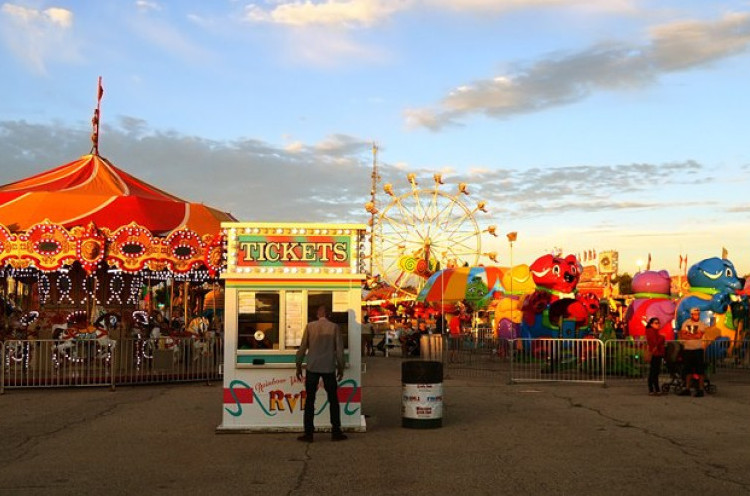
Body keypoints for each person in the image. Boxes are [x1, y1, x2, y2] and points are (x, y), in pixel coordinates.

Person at [295, 305, 347, 442]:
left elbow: (302, 347)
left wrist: (298, 365)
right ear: (327, 314)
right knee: (333, 400)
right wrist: (341, 368)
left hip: (312, 367)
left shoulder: (310, 326)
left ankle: (308, 433)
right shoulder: (334, 327)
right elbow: (340, 351)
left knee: (310, 401)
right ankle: (336, 432)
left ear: (318, 314)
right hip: (329, 368)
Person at [678, 307, 707, 397]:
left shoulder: (702, 324)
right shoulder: (686, 323)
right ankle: (687, 388)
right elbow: (683, 335)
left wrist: (689, 335)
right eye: (695, 314)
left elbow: (699, 335)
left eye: (698, 314)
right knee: (688, 370)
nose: (696, 316)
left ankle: (701, 389)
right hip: (688, 349)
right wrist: (693, 335)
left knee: (700, 370)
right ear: (691, 314)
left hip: (698, 349)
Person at [645, 317, 666, 396]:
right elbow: (655, 342)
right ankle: (653, 388)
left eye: (658, 323)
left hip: (657, 353)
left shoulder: (655, 331)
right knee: (654, 372)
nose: (658, 324)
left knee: (655, 372)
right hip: (655, 353)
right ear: (651, 324)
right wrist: (662, 337)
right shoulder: (651, 331)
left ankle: (654, 388)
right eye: (656, 323)